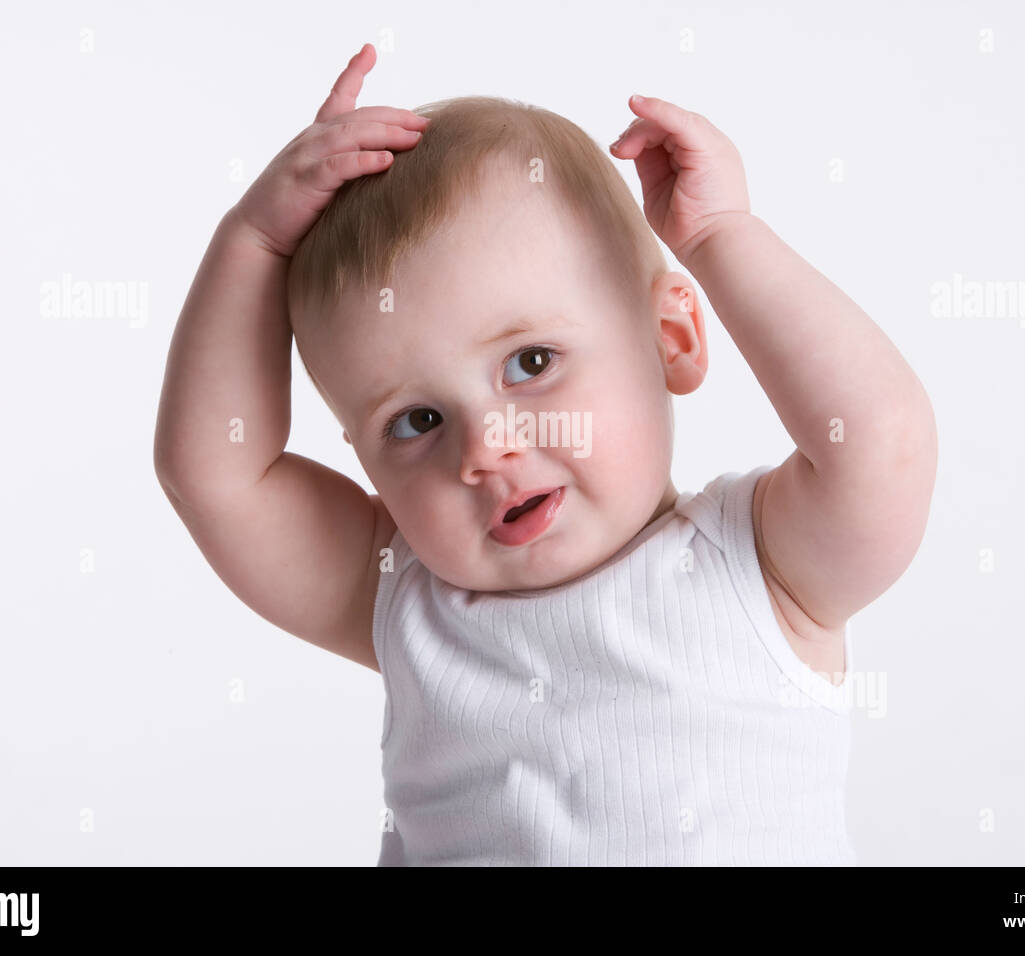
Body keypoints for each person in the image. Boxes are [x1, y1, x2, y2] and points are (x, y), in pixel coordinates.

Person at [153, 42, 938, 865]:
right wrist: (252, 244)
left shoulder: (764, 571)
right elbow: (214, 475)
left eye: (531, 364)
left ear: (669, 337)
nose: (486, 450)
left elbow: (879, 444)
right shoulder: (402, 600)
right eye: (417, 421)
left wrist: (720, 237)